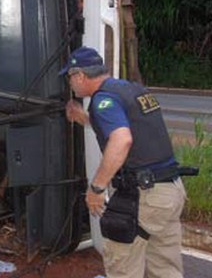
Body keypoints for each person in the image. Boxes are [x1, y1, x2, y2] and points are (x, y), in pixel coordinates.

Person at [59, 46, 186, 278]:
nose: (71, 84)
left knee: (122, 267)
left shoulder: (102, 99)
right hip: (170, 191)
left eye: (70, 77)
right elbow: (132, 127)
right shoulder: (130, 89)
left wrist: (96, 187)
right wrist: (84, 118)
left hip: (143, 197)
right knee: (165, 269)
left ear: (80, 75)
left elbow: (122, 139)